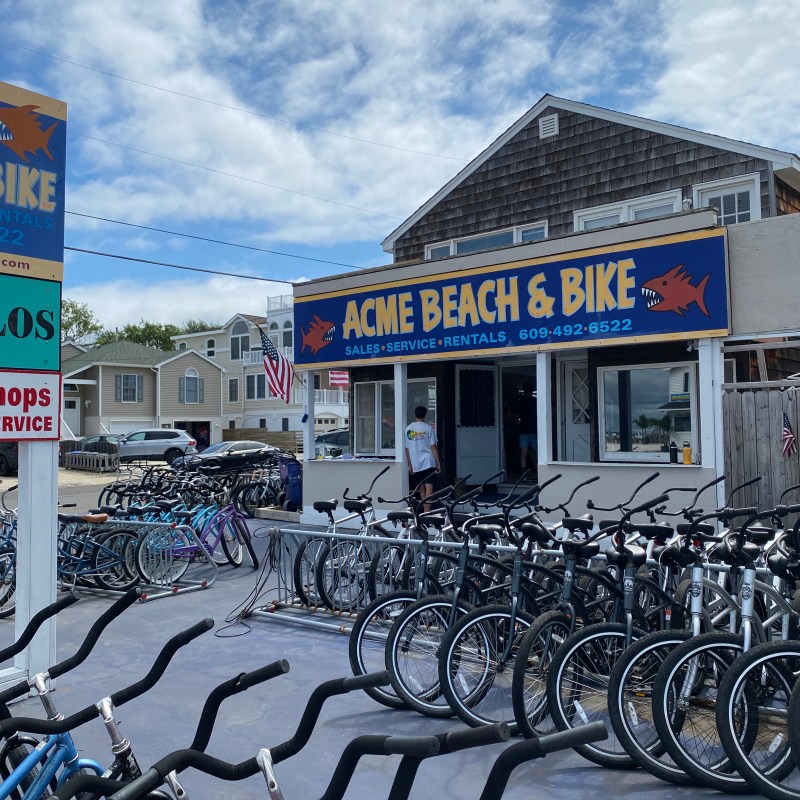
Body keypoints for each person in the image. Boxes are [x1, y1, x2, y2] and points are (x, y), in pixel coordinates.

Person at [405, 405, 441, 507]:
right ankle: (426, 512)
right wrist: (438, 463)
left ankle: (423, 512)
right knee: (429, 486)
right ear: (424, 415)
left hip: (416, 463)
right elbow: (433, 447)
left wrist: (410, 464)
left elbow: (407, 449)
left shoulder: (408, 429)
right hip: (428, 462)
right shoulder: (428, 428)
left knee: (421, 487)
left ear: (415, 414)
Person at [517, 382, 537, 475]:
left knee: (523, 453)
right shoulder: (535, 401)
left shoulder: (520, 402)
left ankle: (523, 474)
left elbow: (513, 413)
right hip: (534, 429)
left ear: (524, 391)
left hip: (523, 429)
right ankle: (539, 472)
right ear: (532, 391)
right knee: (537, 452)